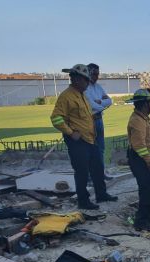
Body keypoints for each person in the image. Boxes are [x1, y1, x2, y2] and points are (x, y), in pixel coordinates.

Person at [50, 64, 117, 210]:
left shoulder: (82, 95)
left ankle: (101, 194)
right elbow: (56, 118)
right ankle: (83, 201)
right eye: (86, 80)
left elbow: (88, 115)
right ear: (76, 80)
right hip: (77, 141)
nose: (89, 82)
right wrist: (70, 132)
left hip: (90, 138)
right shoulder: (66, 96)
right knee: (81, 172)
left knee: (97, 168)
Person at [126, 89, 150, 231]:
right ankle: (140, 220)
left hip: (147, 158)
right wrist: (148, 161)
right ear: (144, 105)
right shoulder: (137, 120)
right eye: (149, 103)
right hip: (140, 159)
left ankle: (146, 215)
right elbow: (139, 145)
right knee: (148, 189)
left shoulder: (144, 118)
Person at [85, 63, 113, 181]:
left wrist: (100, 102)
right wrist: (102, 103)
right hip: (90, 122)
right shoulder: (84, 88)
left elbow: (110, 101)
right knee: (90, 150)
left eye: (98, 74)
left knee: (101, 149)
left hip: (99, 120)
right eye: (94, 74)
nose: (96, 77)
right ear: (88, 73)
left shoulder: (98, 87)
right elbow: (92, 106)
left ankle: (101, 174)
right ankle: (91, 177)